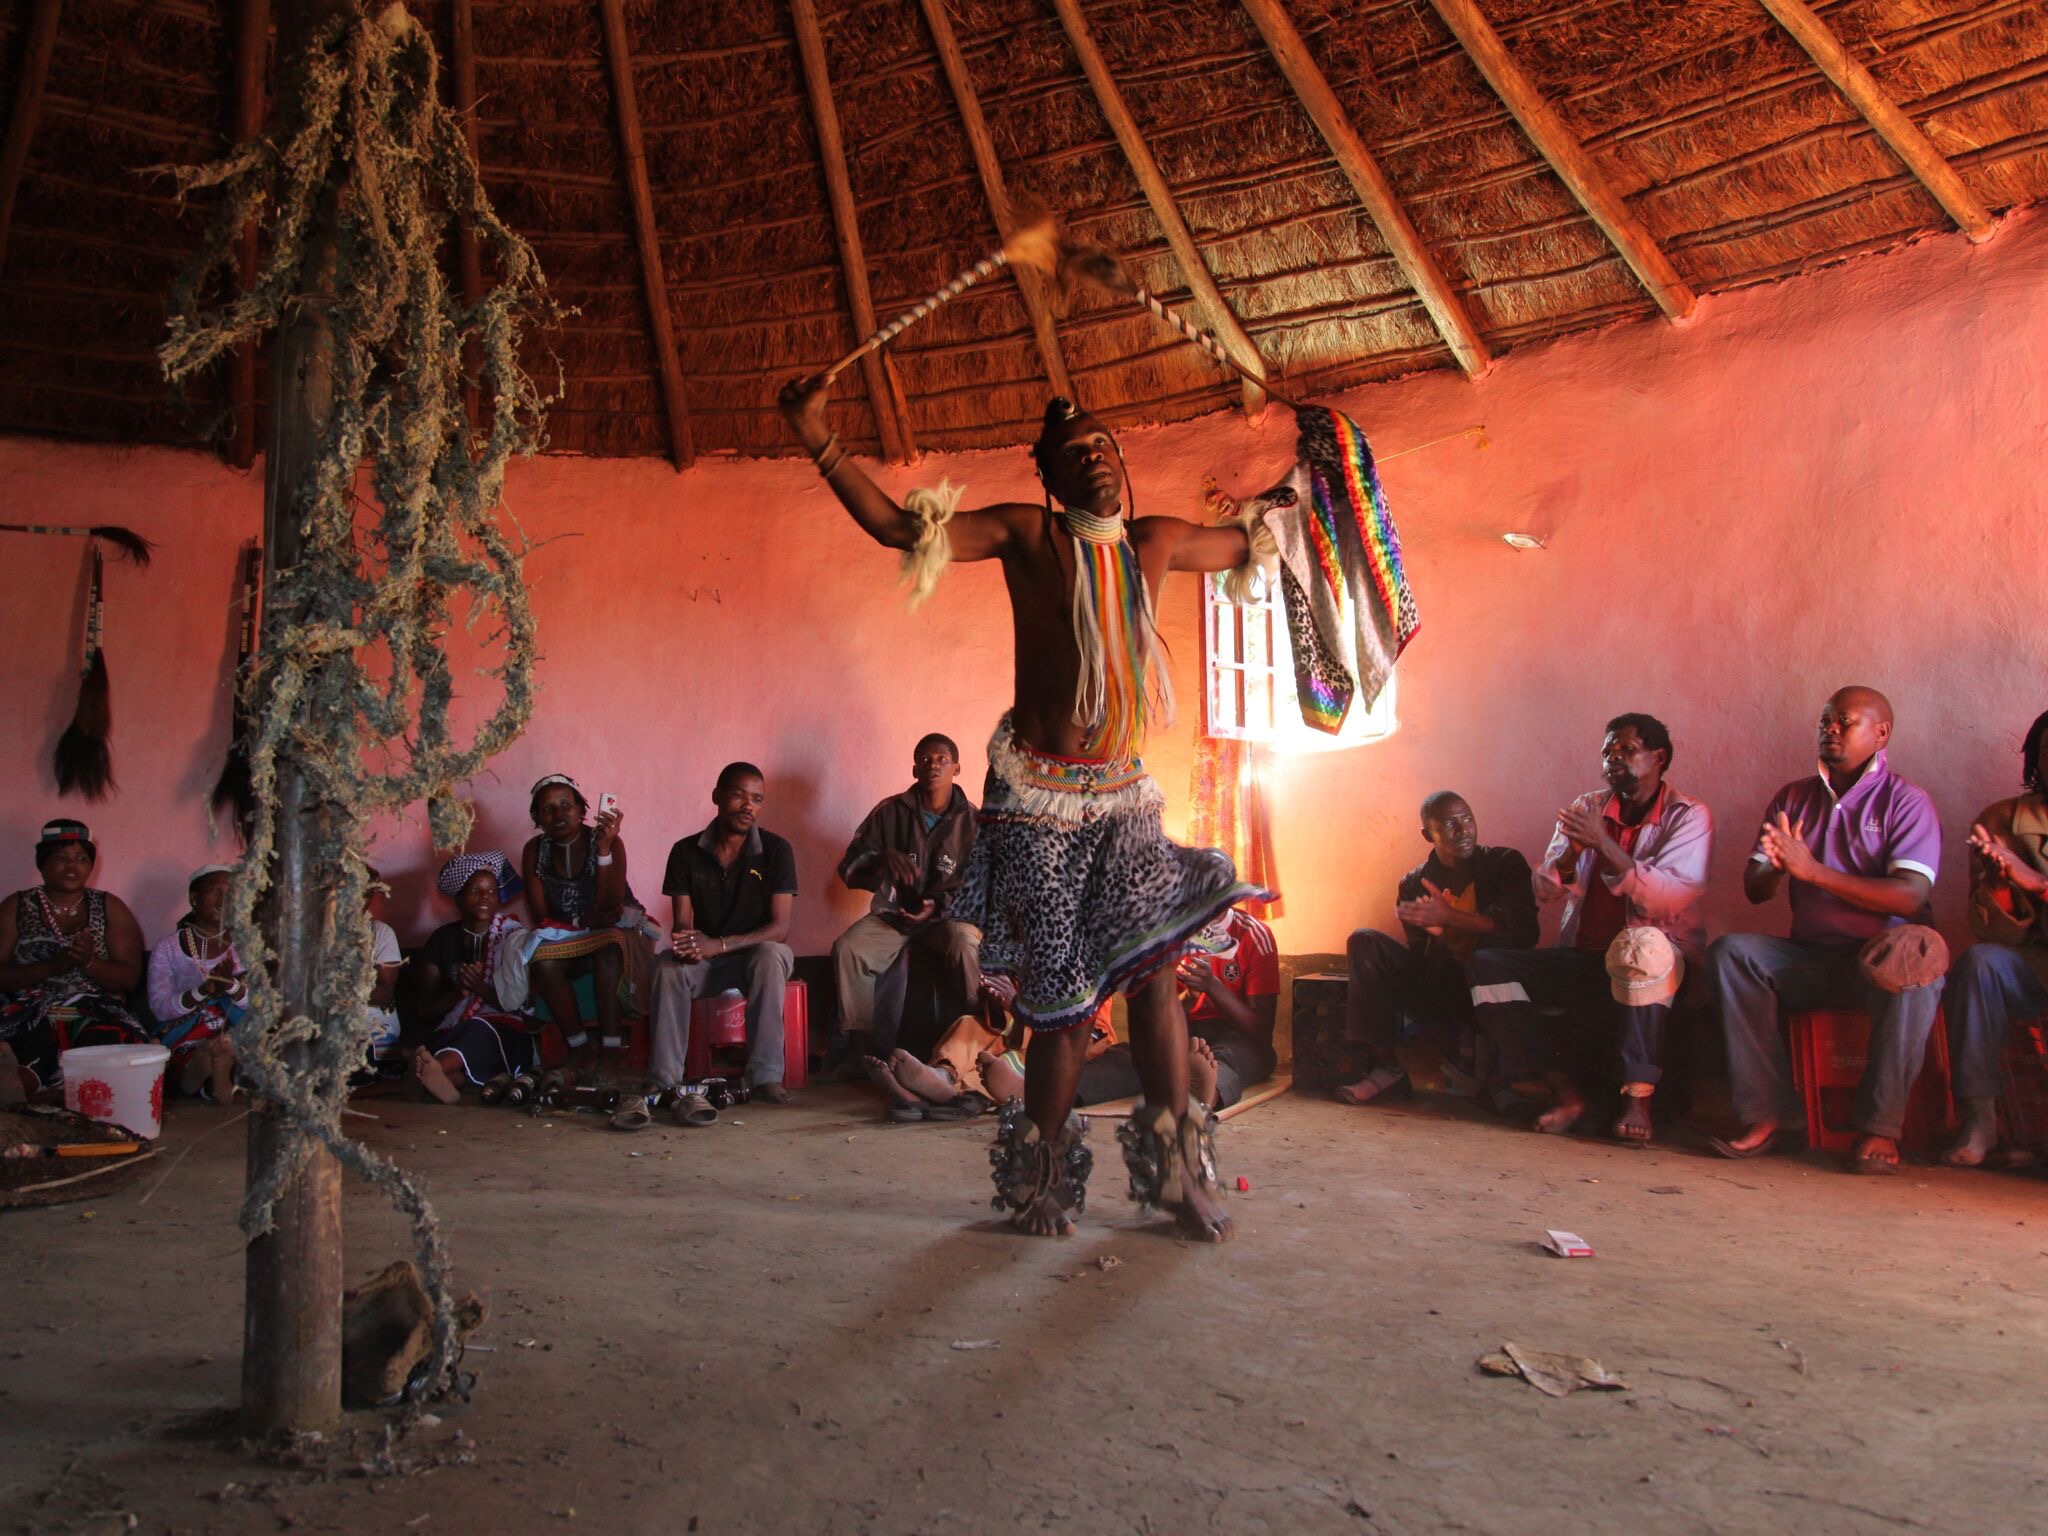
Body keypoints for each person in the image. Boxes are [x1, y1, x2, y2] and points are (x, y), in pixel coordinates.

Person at [782, 377, 1265, 1240]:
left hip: (1124, 797)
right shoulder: (1028, 534)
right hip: (1037, 805)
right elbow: (900, 528)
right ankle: (1040, 1179)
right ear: (1048, 475)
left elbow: (1252, 543)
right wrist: (819, 437)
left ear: (1122, 458)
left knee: (1156, 976)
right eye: (1073, 454)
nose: (1094, 459)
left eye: (1103, 445)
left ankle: (1175, 1175)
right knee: (1064, 1001)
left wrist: (1320, 490)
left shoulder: (1154, 542)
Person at [1709, 687, 1946, 1173]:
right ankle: (1771, 1115)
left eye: (1844, 721)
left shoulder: (1906, 801)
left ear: (1881, 733)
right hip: (1812, 958)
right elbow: (1756, 890)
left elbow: (1910, 896)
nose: (1830, 730)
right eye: (1824, 722)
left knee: (1913, 964)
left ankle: (1880, 1128)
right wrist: (1778, 866)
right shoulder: (1794, 797)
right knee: (1733, 954)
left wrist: (1814, 872)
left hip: (1881, 962)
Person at [1464, 714, 1712, 1143]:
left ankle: (1638, 1101)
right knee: (1488, 965)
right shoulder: (1589, 807)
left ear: (1658, 758)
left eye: (1626, 750)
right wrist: (1571, 854)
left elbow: (1666, 899)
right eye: (1607, 751)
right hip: (1589, 956)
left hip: (1662, 962)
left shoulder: (1688, 815)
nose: (1613, 758)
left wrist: (1602, 843)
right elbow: (1545, 890)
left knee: (1642, 946)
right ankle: (1564, 1092)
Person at [620, 762, 799, 1130]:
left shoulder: (777, 850)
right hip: (707, 961)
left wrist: (719, 944)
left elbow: (780, 928)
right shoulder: (685, 851)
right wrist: (688, 944)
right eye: (739, 795)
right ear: (717, 796)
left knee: (770, 955)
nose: (748, 806)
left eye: (757, 799)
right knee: (667, 967)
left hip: (754, 957)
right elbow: (683, 922)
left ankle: (765, 1076)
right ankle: (664, 1079)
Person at [1338, 792, 1537, 1107]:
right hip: (1444, 985)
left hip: (1494, 985)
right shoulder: (1414, 883)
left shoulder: (1504, 864)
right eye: (1448, 824)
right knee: (1364, 940)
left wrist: (1450, 917)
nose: (1463, 830)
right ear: (1428, 834)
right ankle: (1388, 1069)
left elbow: (1525, 934)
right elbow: (1424, 963)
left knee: (1487, 960)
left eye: (1467, 819)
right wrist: (1438, 936)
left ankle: (1502, 1078)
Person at [1941, 708, 2048, 1166]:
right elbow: (1989, 930)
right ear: (2035, 758)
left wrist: (2037, 882)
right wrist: (2001, 883)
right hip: (2035, 966)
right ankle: (1980, 1118)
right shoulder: (2001, 821)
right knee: (1980, 963)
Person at [832, 733, 981, 1058]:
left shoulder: (973, 822)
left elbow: (981, 888)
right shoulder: (890, 812)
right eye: (924, 760)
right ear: (914, 770)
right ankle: (861, 1050)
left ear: (957, 768)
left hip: (947, 918)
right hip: (894, 918)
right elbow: (848, 870)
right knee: (849, 948)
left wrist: (938, 906)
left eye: (942, 760)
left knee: (966, 943)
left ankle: (976, 1040)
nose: (933, 766)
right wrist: (881, 859)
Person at [0, 820, 147, 1099]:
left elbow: (129, 979)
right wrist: (52, 966)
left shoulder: (110, 907)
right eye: (61, 858)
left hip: (93, 1010)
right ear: (42, 864)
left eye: (81, 858)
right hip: (29, 1011)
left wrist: (88, 962)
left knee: (105, 1041)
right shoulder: (15, 906)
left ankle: (69, 1088)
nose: (72, 867)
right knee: (29, 1042)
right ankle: (19, 1082)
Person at [404, 851, 544, 1103]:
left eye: (491, 891)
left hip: (504, 1033)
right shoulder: (442, 940)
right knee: (460, 1037)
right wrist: (460, 993)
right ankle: (441, 1079)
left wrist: (480, 987)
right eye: (475, 891)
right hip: (454, 1029)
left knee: (478, 1029)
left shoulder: (513, 937)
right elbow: (425, 1011)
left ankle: (430, 1070)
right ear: (459, 898)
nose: (485, 897)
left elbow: (514, 1004)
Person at [520, 773, 643, 1051]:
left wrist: (603, 849)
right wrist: (581, 921)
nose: (558, 814)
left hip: (614, 933)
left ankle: (611, 1049)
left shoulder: (610, 842)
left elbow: (611, 906)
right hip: (565, 937)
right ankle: (579, 1047)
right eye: (548, 808)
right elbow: (540, 915)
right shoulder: (534, 850)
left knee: (608, 949)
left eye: (566, 805)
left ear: (581, 810)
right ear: (537, 817)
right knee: (543, 964)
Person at [145, 864, 246, 1101]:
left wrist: (229, 985)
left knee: (248, 1036)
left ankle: (210, 1077)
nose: (224, 899)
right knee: (167, 1047)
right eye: (216, 890)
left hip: (236, 1028)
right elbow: (160, 1007)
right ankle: (203, 1072)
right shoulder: (168, 948)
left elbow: (261, 1004)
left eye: (231, 892)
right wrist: (202, 990)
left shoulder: (248, 943)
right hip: (187, 1028)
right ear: (194, 898)